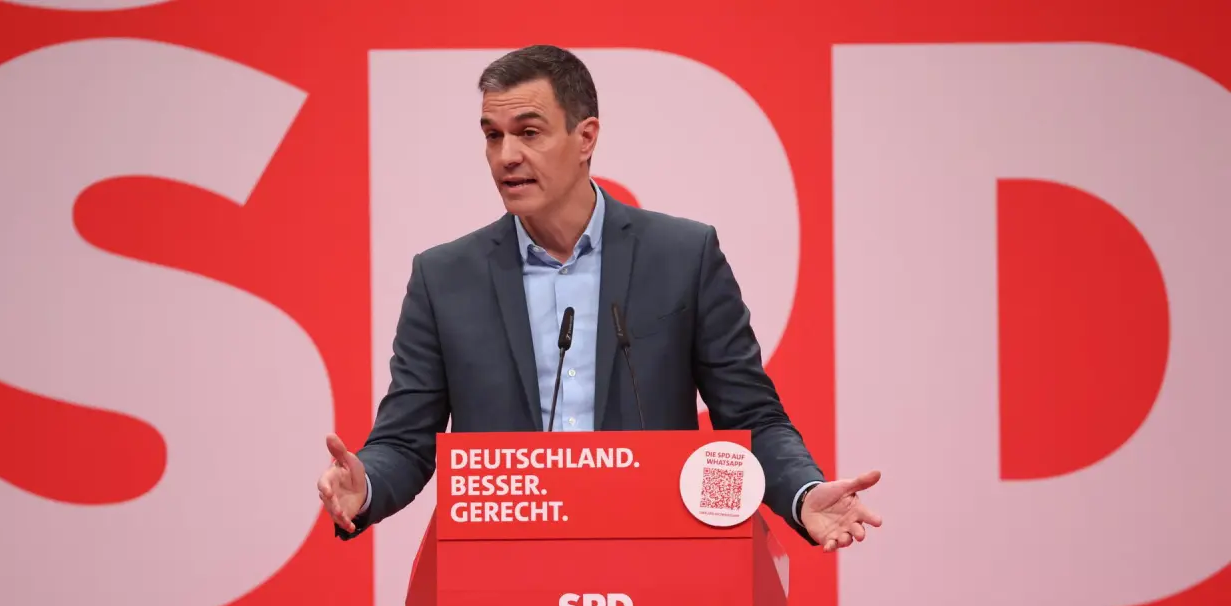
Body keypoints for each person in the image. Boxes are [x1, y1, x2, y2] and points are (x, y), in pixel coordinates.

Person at [317, 44, 882, 552]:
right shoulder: (444, 278)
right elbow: (406, 441)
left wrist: (802, 492)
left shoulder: (682, 256)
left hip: (653, 560)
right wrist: (366, 485)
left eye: (529, 132)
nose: (506, 155)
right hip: (503, 573)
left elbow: (751, 416)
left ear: (585, 137)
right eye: (493, 135)